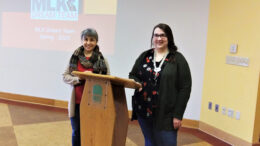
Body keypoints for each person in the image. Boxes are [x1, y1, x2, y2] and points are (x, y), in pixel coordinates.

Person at [129, 23, 192, 146]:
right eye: (156, 35)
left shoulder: (178, 59)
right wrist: (138, 83)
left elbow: (185, 88)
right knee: (149, 142)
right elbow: (133, 75)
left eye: (163, 35)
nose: (159, 38)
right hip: (144, 111)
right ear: (152, 38)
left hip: (167, 115)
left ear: (169, 38)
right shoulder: (145, 56)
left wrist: (178, 115)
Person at [63, 28, 110, 146]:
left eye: (92, 40)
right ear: (82, 40)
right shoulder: (75, 57)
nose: (88, 43)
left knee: (92, 132)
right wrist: (79, 78)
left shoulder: (102, 59)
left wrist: (93, 77)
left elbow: (107, 80)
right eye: (86, 39)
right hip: (77, 102)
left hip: (95, 102)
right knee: (77, 132)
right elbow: (65, 76)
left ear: (96, 41)